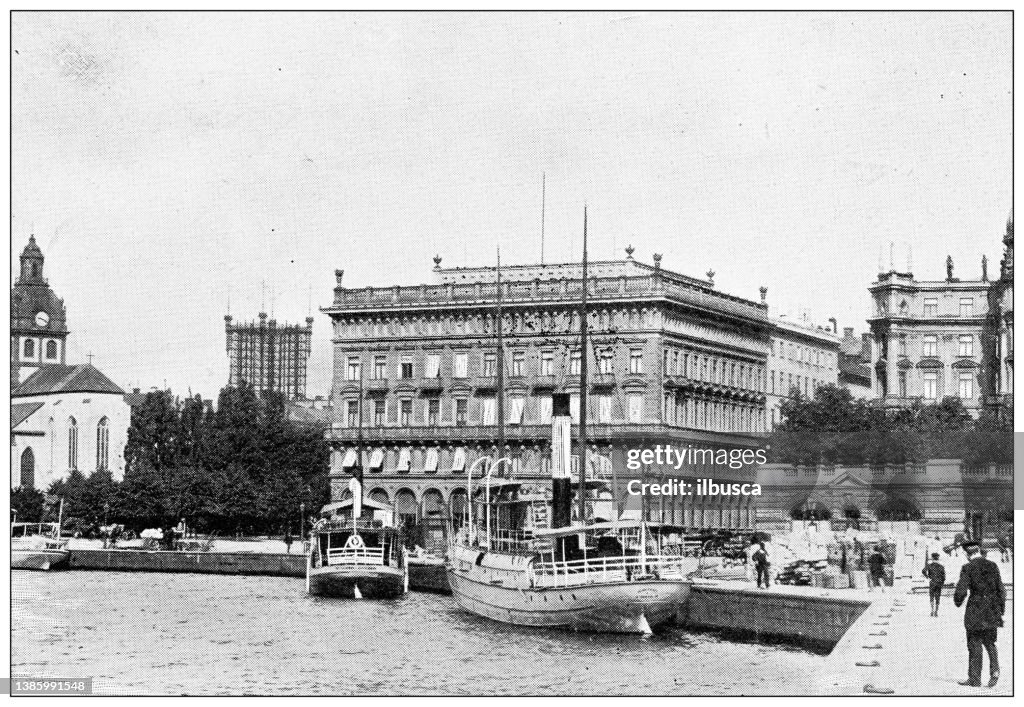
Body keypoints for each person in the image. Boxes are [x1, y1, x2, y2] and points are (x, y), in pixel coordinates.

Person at [954, 540, 1005, 688]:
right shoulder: (993, 565)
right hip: (992, 610)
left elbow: (961, 590)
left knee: (974, 643)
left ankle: (975, 679)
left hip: (975, 610)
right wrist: (1000, 610)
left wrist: (958, 600)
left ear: (966, 553)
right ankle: (995, 671)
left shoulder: (968, 567)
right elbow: (1001, 589)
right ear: (978, 551)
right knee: (990, 642)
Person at [922, 552, 946, 616]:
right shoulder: (941, 566)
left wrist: (928, 577)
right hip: (939, 583)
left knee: (931, 596)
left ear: (932, 558)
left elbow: (923, 571)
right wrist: (942, 583)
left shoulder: (929, 565)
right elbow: (944, 577)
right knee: (938, 597)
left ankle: (932, 611)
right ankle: (936, 612)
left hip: (932, 582)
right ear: (938, 558)